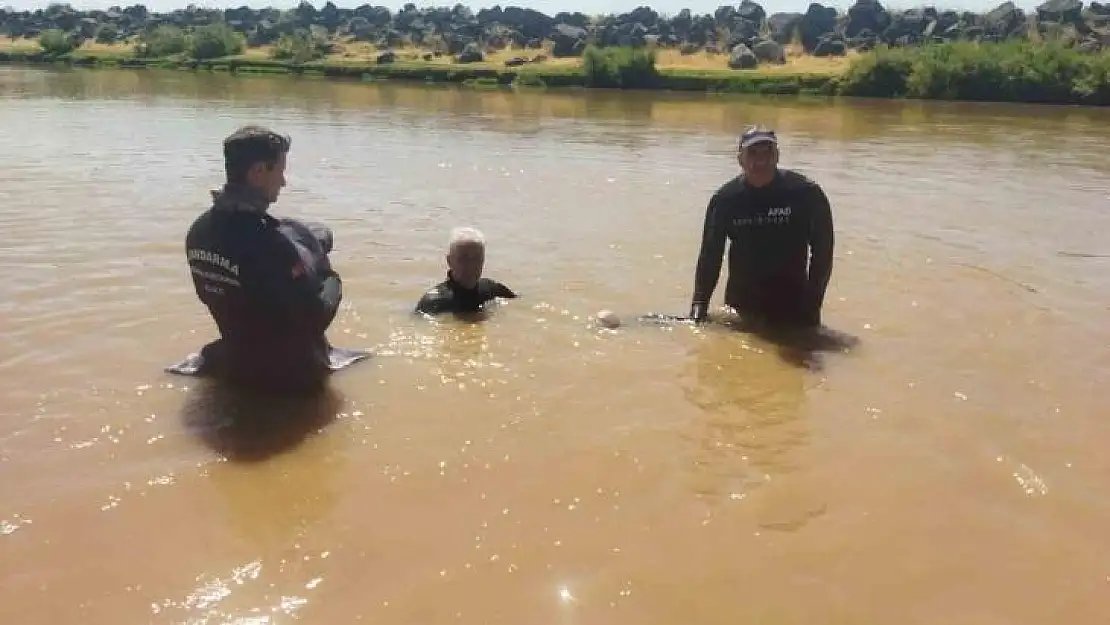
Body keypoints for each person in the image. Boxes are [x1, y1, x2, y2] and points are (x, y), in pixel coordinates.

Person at [185, 125, 343, 394]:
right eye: (280, 171)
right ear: (258, 172)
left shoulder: (198, 231)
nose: (283, 181)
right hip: (287, 377)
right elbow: (314, 316)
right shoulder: (271, 244)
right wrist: (331, 278)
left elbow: (210, 294)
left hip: (234, 358)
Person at [689, 125, 835, 329]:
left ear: (778, 156)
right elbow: (710, 256)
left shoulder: (806, 193)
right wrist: (699, 307)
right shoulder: (725, 199)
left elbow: (823, 254)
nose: (761, 160)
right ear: (740, 159)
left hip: (794, 306)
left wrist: (812, 306)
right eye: (753, 153)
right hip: (741, 309)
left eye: (768, 152)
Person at [415, 227, 517, 316]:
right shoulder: (433, 302)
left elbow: (522, 306)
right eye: (463, 258)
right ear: (449, 261)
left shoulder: (492, 289)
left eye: (477, 258)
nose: (471, 265)